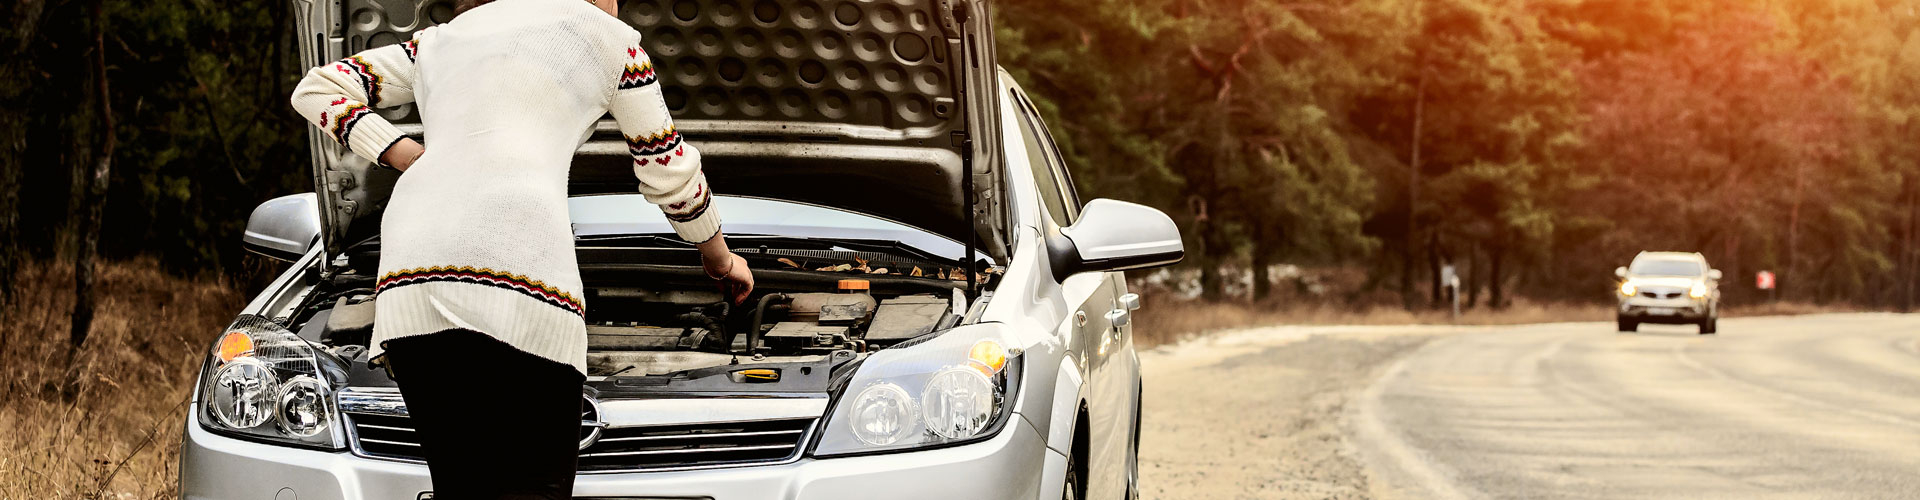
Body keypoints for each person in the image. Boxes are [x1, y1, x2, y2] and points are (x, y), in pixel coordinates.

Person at [288, 0, 753, 497]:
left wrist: (404, 153)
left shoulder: (442, 40)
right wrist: (718, 255)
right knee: (539, 485)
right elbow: (666, 166)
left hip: (410, 274)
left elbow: (317, 88)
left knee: (463, 485)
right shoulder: (610, 38)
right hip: (519, 260)